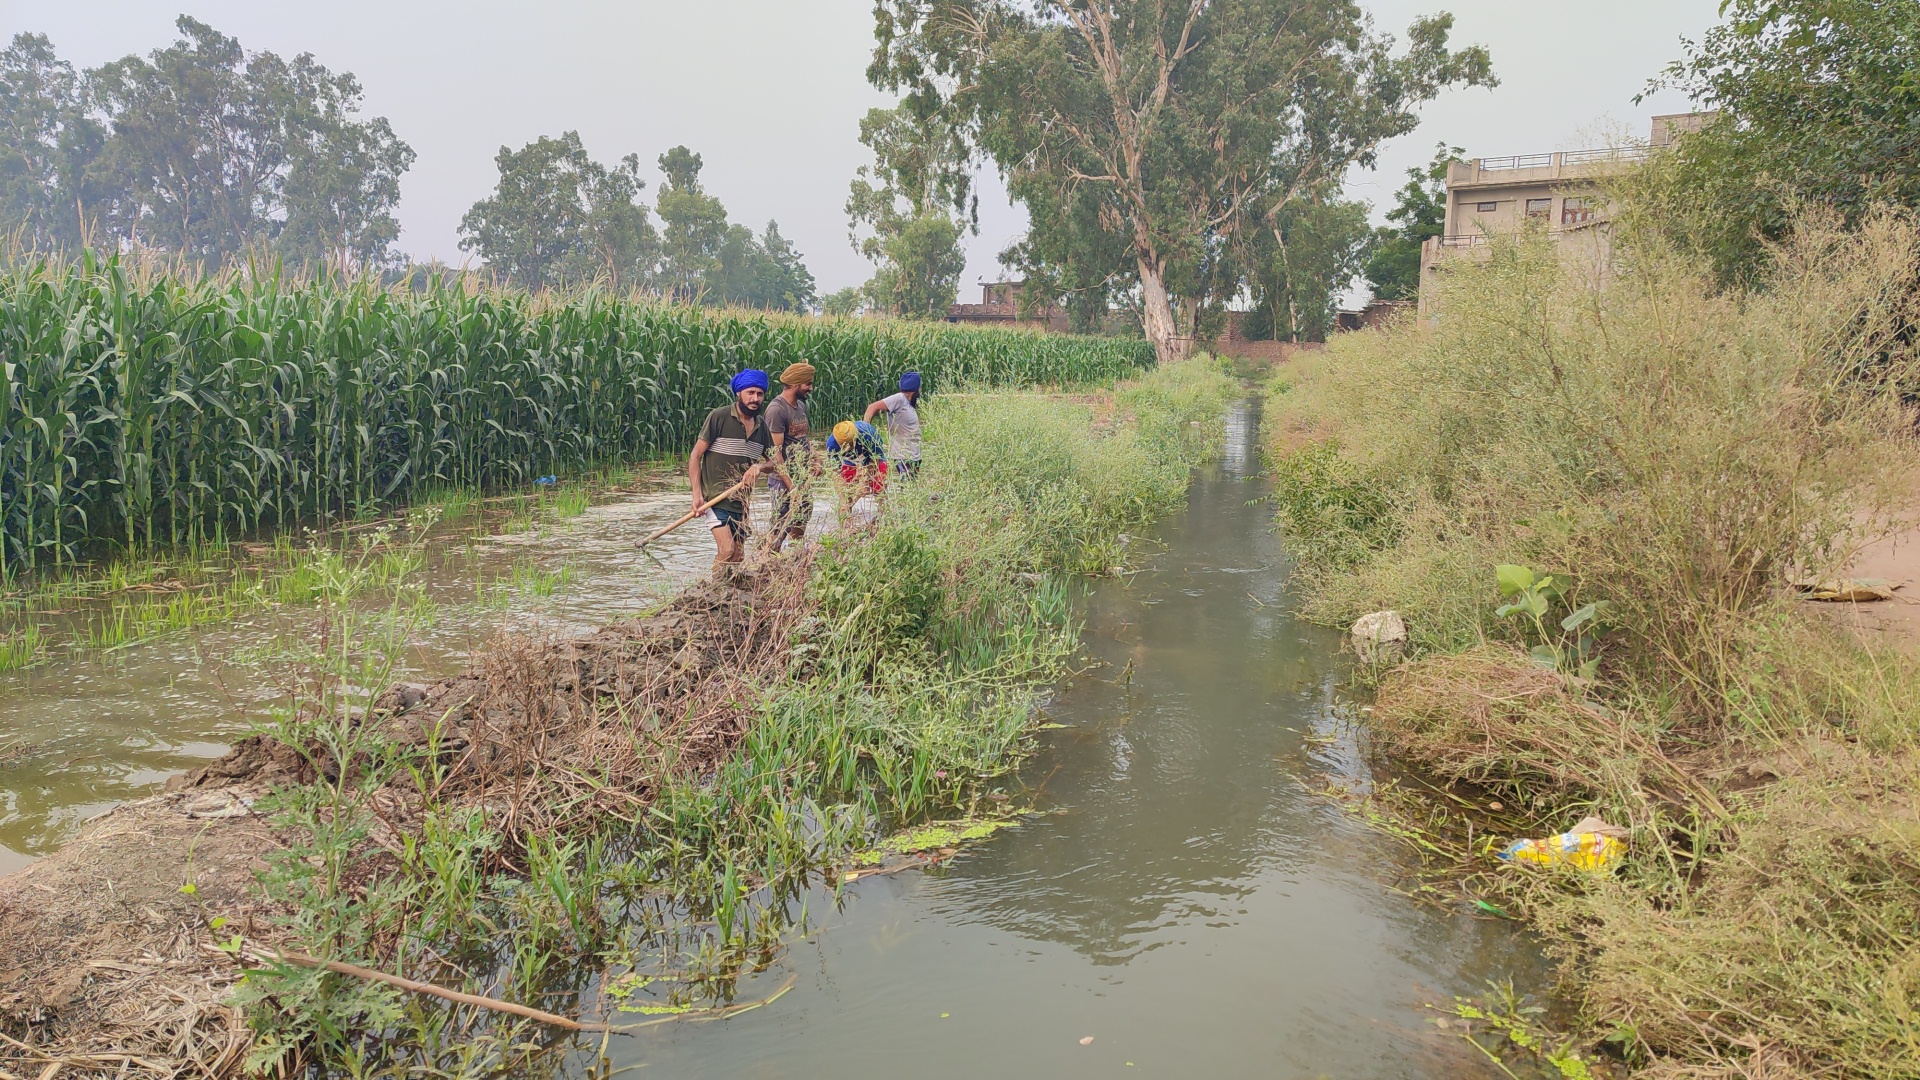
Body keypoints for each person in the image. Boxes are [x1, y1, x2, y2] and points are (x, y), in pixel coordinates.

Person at [686, 369, 773, 571]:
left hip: (741, 502)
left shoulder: (761, 426)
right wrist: (697, 495)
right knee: (726, 550)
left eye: (760, 394)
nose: (755, 399)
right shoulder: (719, 417)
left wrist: (758, 466)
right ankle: (711, 594)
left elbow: (773, 463)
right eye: (750, 393)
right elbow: (695, 456)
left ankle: (729, 596)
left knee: (738, 555)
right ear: (739, 393)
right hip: (715, 498)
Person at [764, 361, 816, 552]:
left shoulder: (800, 406)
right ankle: (766, 561)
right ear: (795, 384)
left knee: (803, 516)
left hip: (802, 475)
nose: (810, 388)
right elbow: (775, 452)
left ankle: (794, 558)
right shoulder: (776, 410)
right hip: (782, 480)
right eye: (807, 384)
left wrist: (815, 460)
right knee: (780, 524)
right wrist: (791, 486)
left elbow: (803, 438)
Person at [863, 371, 923, 477]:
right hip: (903, 456)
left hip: (913, 456)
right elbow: (872, 407)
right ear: (916, 389)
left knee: (913, 488)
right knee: (907, 486)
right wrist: (864, 431)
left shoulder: (909, 404)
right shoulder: (899, 399)